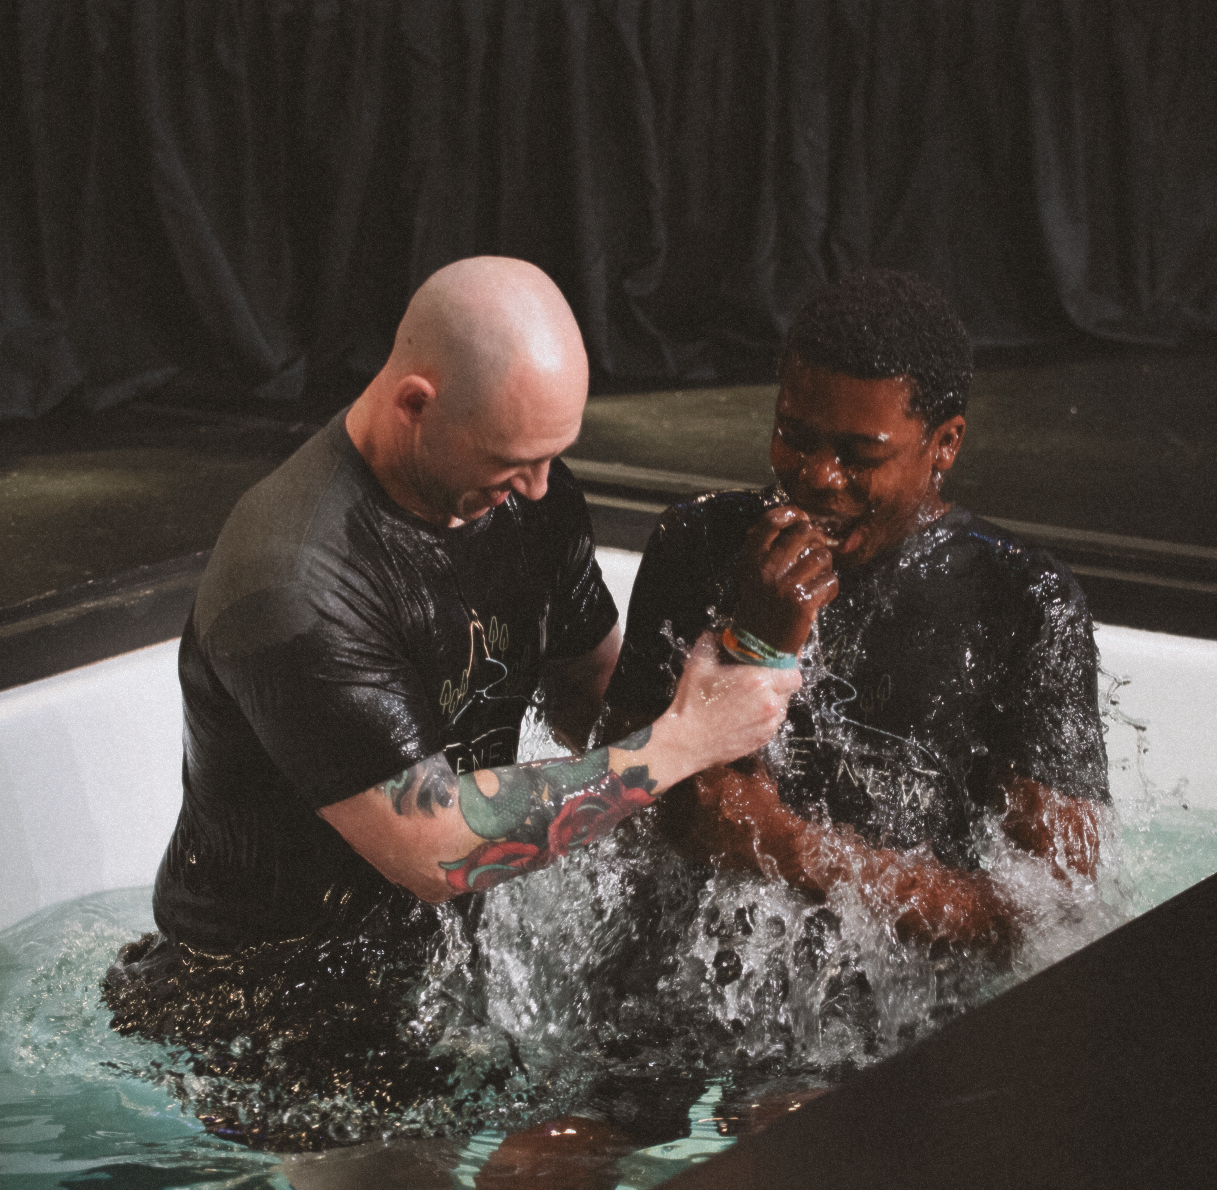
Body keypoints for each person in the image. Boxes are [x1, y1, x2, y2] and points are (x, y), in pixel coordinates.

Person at [102, 256, 809, 1150]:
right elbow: (430, 851)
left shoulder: (527, 497)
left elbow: (590, 693)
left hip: (427, 969)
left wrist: (748, 676)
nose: (539, 489)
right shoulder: (293, 580)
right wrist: (676, 745)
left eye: (554, 457)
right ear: (414, 404)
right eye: (513, 462)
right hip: (270, 1009)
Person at [602, 270, 1110, 958]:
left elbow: (1051, 917)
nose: (816, 475)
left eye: (857, 454)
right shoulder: (696, 546)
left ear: (945, 445)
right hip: (684, 987)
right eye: (795, 435)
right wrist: (749, 643)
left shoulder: (1021, 602)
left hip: (901, 1023)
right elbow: (616, 817)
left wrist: (787, 846)